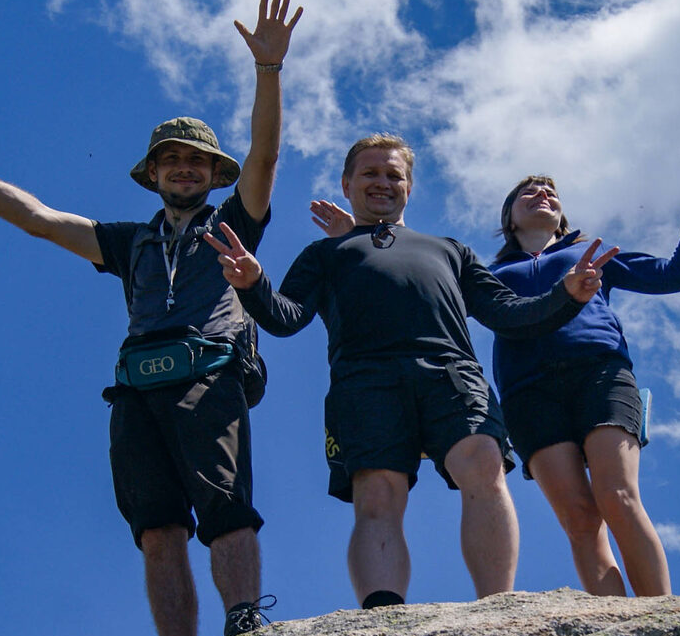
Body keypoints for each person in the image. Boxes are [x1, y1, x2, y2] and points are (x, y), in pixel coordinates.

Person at [0, 0, 303, 636]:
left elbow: (264, 157)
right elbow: (36, 219)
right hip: (136, 388)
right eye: (173, 159)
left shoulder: (234, 224)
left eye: (197, 161)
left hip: (209, 376)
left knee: (225, 509)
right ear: (153, 173)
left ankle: (243, 628)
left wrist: (267, 71)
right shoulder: (128, 242)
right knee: (156, 527)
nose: (185, 168)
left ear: (213, 175)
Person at [203, 134, 616, 609]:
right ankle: (383, 614)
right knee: (377, 494)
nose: (382, 183)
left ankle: (498, 607)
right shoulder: (324, 254)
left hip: (451, 371)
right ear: (347, 183)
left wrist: (566, 295)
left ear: (409, 187)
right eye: (370, 174)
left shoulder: (449, 249)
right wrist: (254, 284)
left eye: (393, 175)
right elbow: (285, 317)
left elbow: (508, 313)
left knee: (482, 464)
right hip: (364, 381)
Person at [485, 156, 680, 595]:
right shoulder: (488, 275)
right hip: (528, 393)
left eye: (551, 193)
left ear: (562, 217)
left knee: (617, 495)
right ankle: (616, 632)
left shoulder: (591, 254)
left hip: (599, 373)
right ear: (509, 218)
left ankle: (662, 621)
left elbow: (677, 274)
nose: (543, 195)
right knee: (580, 519)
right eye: (530, 192)